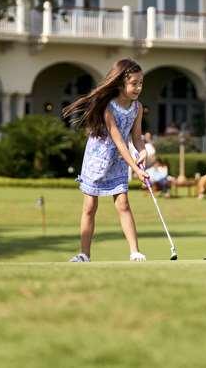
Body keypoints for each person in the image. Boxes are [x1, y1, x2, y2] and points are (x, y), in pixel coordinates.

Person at [61, 58, 152, 262]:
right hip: (98, 159)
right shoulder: (108, 107)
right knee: (90, 207)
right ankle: (84, 253)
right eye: (134, 83)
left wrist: (143, 151)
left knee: (123, 205)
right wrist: (137, 170)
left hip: (119, 161)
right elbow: (119, 140)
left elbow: (135, 137)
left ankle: (135, 252)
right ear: (121, 83)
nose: (138, 87)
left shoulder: (137, 108)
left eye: (141, 83)